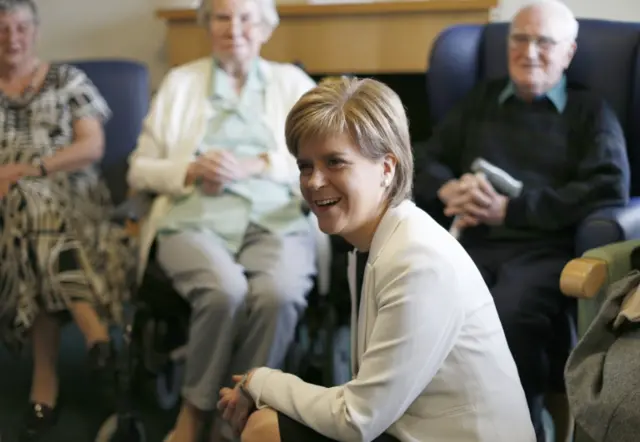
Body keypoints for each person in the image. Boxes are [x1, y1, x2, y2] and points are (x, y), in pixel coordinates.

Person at [216, 77, 536, 442]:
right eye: (306, 166)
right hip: (408, 431)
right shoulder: (374, 246)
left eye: (335, 162)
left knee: (266, 431)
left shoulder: (418, 260)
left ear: (387, 168)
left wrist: (262, 381)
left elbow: (356, 417)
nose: (314, 181)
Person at [413, 1, 629, 440]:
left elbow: (607, 188)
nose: (529, 52)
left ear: (568, 53)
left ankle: (517, 429)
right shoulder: (481, 101)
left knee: (508, 317)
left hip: (542, 250)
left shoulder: (590, 112)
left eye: (544, 42)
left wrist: (514, 209)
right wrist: (447, 188)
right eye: (519, 39)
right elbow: (424, 159)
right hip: (470, 243)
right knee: (424, 304)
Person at [126, 0, 318, 439]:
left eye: (247, 17)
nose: (235, 28)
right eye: (222, 17)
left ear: (265, 28)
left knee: (280, 294)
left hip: (275, 216)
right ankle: (195, 411)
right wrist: (191, 169)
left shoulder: (292, 83)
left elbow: (325, 158)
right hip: (194, 218)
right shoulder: (180, 82)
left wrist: (259, 164)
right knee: (223, 289)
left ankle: (239, 414)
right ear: (207, 25)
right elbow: (139, 167)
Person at [0, 0, 136, 440]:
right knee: (27, 213)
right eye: (1, 29)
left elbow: (91, 147)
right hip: (6, 206)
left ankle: (45, 385)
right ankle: (95, 336)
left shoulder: (68, 79)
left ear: (35, 31)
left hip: (72, 193)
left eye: (20, 27)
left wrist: (30, 170)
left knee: (30, 205)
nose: (12, 37)